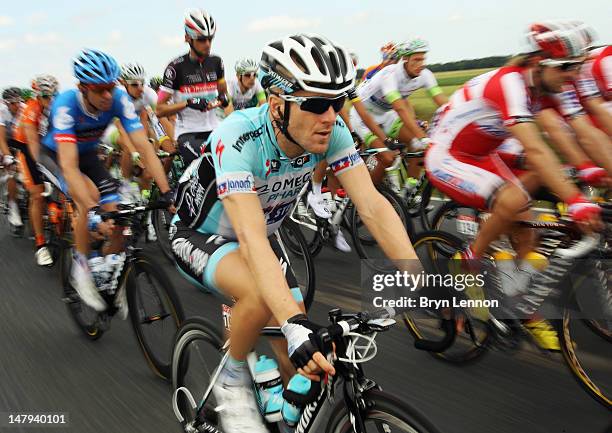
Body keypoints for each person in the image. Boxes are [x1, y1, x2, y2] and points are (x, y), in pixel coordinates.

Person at [171, 33, 421, 432]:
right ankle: (232, 384)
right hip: (199, 233)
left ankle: (276, 396)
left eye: (338, 103)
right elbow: (251, 241)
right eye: (318, 104)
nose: (331, 116)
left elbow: (371, 205)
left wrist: (416, 275)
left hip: (260, 232)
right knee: (265, 299)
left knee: (302, 364)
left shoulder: (330, 132)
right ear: (276, 105)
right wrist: (293, 323)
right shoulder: (239, 136)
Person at [425, 21, 602, 350]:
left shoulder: (549, 86)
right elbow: (535, 147)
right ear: (538, 63)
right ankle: (468, 261)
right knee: (515, 197)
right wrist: (576, 200)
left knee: (527, 230)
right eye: (566, 68)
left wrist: (591, 170)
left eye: (577, 68)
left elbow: (579, 132)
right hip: (450, 154)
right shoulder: (510, 83)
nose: (573, 76)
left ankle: (521, 307)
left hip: (486, 152)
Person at [38, 49, 173, 313]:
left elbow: (144, 148)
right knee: (89, 203)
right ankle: (82, 267)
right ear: (82, 88)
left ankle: (111, 276)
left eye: (111, 88)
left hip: (87, 154)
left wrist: (167, 191)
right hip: (57, 156)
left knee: (118, 214)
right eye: (100, 90)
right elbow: (69, 166)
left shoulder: (118, 99)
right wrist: (91, 206)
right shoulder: (65, 104)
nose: (107, 96)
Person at [350, 37, 448, 184]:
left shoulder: (425, 75)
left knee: (418, 147)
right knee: (388, 158)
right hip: (362, 117)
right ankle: (368, 195)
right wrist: (423, 136)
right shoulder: (389, 74)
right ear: (405, 59)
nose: (421, 64)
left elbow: (442, 102)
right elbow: (399, 108)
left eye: (423, 59)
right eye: (416, 60)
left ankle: (409, 193)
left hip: (386, 115)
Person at [156, 9, 229, 166]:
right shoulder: (175, 68)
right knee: (208, 164)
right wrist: (188, 103)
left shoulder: (217, 62)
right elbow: (160, 110)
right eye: (202, 39)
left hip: (215, 129)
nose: (208, 44)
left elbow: (225, 97)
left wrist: (223, 101)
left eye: (210, 39)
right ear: (188, 38)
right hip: (188, 133)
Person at [11, 75, 60, 265]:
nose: (51, 100)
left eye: (54, 95)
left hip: (46, 147)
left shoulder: (57, 107)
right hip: (27, 149)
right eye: (47, 96)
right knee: (37, 194)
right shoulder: (31, 110)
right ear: (38, 96)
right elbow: (32, 142)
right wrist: (41, 167)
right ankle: (40, 245)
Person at [0, 87, 25, 229]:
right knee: (11, 171)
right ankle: (13, 205)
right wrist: (8, 157)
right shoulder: (2, 111)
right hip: (5, 141)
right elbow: (2, 139)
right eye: (12, 103)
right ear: (6, 103)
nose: (16, 106)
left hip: (19, 140)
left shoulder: (25, 109)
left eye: (18, 102)